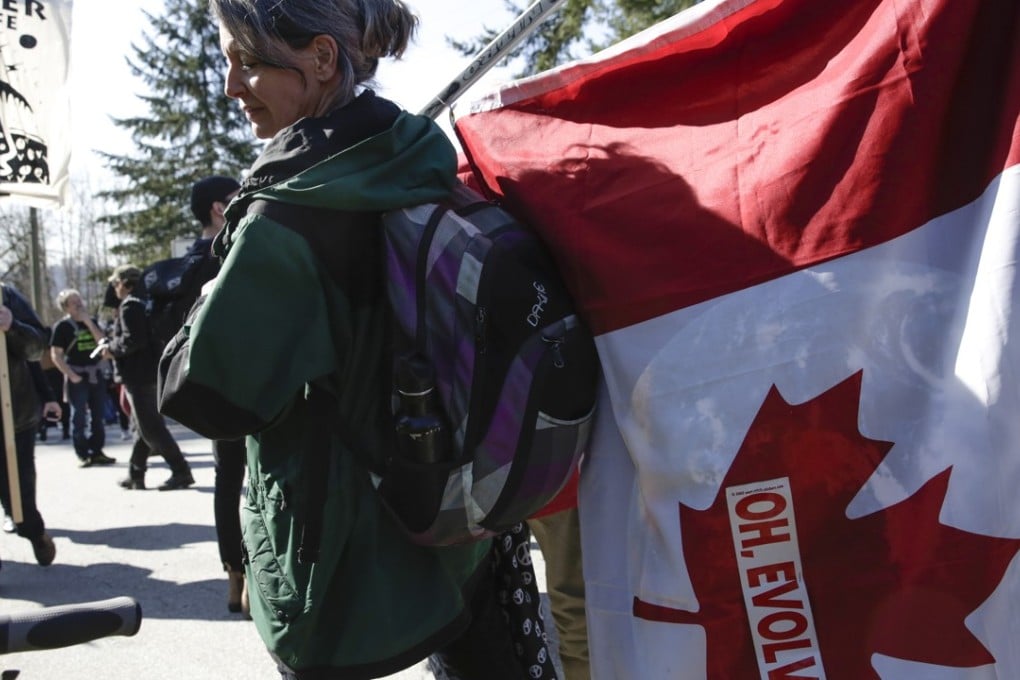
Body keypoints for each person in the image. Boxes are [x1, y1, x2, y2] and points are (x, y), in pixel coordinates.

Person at [160, 2, 536, 677]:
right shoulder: (421, 158)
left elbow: (202, 395)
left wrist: (211, 283)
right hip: (464, 521)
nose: (230, 86)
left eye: (246, 62)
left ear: (322, 60)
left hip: (340, 570)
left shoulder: (287, 217)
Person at [189, 174, 250, 614]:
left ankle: (235, 579)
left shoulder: (188, 263)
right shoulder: (232, 249)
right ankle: (256, 579)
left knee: (227, 481)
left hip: (211, 387)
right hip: (252, 380)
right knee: (264, 479)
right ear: (218, 208)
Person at [102, 265, 194, 491]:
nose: (114, 288)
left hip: (138, 375)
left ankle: (181, 470)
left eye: (115, 283)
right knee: (141, 426)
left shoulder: (129, 306)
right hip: (149, 371)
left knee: (151, 427)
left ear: (124, 283)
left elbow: (134, 340)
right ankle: (136, 473)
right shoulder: (144, 303)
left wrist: (111, 348)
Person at [0, 282, 60, 569]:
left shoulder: (5, 296)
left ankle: (34, 532)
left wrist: (12, 326)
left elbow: (38, 348)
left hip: (13, 417)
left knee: (18, 498)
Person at [49, 289, 117, 468]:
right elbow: (56, 355)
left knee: (98, 415)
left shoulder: (91, 322)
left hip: (95, 374)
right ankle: (83, 453)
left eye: (80, 301)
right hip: (77, 376)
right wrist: (71, 375)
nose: (79, 305)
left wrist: (88, 322)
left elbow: (103, 342)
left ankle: (97, 451)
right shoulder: (62, 327)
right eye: (74, 303)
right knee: (78, 416)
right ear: (66, 307)